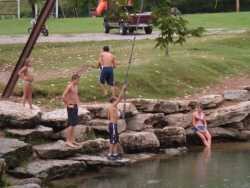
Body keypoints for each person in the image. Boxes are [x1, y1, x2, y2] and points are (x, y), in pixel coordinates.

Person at [107, 84, 127, 160]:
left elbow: (109, 117)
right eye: (116, 100)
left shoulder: (112, 107)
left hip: (112, 124)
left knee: (115, 140)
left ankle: (115, 154)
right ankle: (110, 154)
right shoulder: (112, 106)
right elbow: (120, 98)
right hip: (113, 125)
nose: (117, 101)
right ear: (113, 101)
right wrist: (123, 89)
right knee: (113, 140)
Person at [62, 73, 81, 148]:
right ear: (74, 79)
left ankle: (72, 140)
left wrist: (79, 104)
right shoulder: (69, 86)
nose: (79, 81)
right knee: (71, 124)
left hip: (75, 106)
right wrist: (68, 104)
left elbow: (76, 95)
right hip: (71, 107)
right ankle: (68, 141)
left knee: (74, 124)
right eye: (78, 80)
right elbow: (63, 96)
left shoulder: (76, 86)